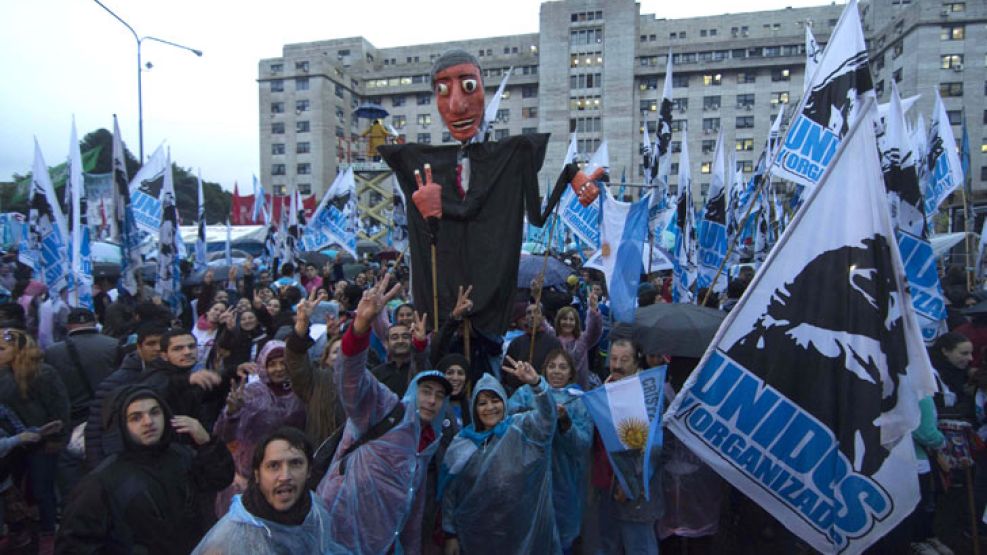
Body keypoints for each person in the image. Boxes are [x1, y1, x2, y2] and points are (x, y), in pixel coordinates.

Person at [378, 49, 601, 343]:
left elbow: (536, 217)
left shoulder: (513, 154)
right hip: (445, 299)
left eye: (468, 86)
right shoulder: (420, 163)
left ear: (483, 89)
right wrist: (427, 216)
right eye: (443, 90)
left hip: (492, 297)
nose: (457, 104)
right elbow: (425, 242)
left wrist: (571, 174)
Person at [313, 274, 453, 554]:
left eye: (440, 396)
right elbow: (351, 380)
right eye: (426, 391)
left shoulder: (428, 445)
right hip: (338, 531)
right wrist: (361, 326)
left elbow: (411, 512)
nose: (431, 400)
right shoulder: (386, 409)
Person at [57, 387, 233, 554]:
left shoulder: (182, 456)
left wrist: (207, 444)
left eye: (155, 412)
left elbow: (219, 478)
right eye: (136, 417)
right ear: (122, 425)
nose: (148, 422)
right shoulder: (103, 480)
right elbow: (75, 545)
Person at [442, 360, 559, 555]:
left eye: (495, 400)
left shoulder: (522, 429)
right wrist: (450, 533)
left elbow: (548, 417)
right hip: (477, 538)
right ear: (474, 409)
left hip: (522, 534)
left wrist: (536, 383)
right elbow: (450, 493)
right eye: (482, 403)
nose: (490, 407)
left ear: (504, 402)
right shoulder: (462, 443)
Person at [192, 427, 339, 554]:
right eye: (274, 466)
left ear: (309, 471)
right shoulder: (229, 537)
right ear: (257, 475)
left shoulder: (316, 513)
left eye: (295, 463)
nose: (285, 476)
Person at [507, 349, 594, 554]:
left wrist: (564, 423)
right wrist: (538, 416)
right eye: (552, 366)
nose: (556, 372)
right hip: (528, 482)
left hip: (564, 484)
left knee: (562, 543)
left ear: (571, 373)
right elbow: (509, 423)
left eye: (563, 367)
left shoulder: (579, 400)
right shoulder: (525, 393)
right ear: (544, 370)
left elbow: (582, 444)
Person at [212, 340, 306, 516]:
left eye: (283, 363)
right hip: (248, 472)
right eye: (272, 364)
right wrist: (232, 413)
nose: (279, 369)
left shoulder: (300, 392)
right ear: (263, 366)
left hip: (286, 470)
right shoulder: (250, 393)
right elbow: (222, 435)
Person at [0, 327, 68, 552]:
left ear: (18, 350)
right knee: (15, 491)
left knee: (42, 489)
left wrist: (56, 437)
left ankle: (49, 533)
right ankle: (21, 532)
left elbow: (59, 407)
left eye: (2, 349)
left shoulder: (43, 373)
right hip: (13, 443)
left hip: (43, 441)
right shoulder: (2, 374)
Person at [594, 339, 663, 554]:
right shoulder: (604, 390)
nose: (617, 365)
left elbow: (654, 447)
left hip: (636, 492)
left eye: (624, 359)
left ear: (635, 362)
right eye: (614, 359)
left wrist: (630, 483)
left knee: (639, 545)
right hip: (605, 486)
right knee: (608, 543)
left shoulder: (648, 394)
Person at [85, 322, 166, 467]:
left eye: (162, 343)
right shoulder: (116, 382)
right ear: (139, 348)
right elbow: (95, 430)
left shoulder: (177, 377)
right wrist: (100, 468)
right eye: (151, 343)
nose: (158, 348)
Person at [286, 291, 346, 447]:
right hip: (323, 452)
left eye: (346, 352)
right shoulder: (315, 381)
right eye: (335, 352)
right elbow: (296, 363)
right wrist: (301, 325)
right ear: (325, 359)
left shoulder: (367, 379)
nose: (341, 356)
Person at [505, 302, 562, 394]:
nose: (532, 315)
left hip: (545, 391)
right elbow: (507, 371)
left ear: (543, 317)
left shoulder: (553, 342)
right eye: (529, 313)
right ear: (525, 318)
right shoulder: (516, 343)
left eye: (536, 312)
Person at [553, 293, 603, 390]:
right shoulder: (553, 338)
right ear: (558, 321)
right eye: (564, 319)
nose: (568, 322)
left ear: (576, 322)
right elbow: (543, 325)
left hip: (580, 389)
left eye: (571, 319)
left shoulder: (583, 339)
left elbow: (595, 330)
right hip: (557, 388)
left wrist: (593, 310)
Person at [928, 331, 975, 421]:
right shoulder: (929, 376)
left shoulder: (963, 374)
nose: (970, 358)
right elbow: (931, 412)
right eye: (964, 353)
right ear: (945, 351)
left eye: (971, 353)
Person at [438, 353, 471, 428]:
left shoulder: (472, 407)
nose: (455, 378)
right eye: (450, 373)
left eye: (460, 373)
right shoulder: (433, 404)